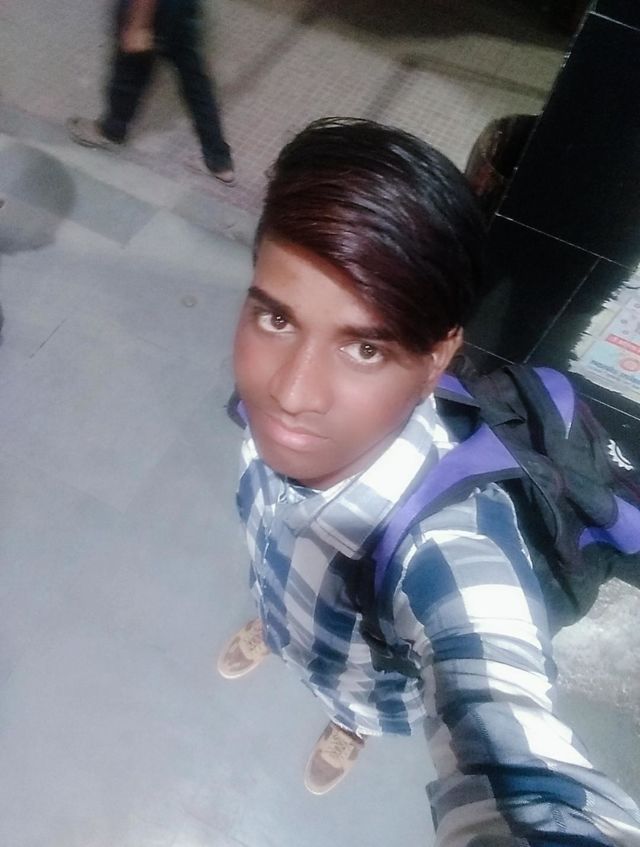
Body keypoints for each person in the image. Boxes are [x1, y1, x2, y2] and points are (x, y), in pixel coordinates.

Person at [218, 117, 640, 842]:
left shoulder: (450, 547)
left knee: (354, 695)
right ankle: (274, 627)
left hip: (363, 676)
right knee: (277, 590)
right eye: (277, 318)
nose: (291, 392)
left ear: (437, 358)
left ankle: (349, 725)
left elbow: (510, 737)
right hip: (285, 588)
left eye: (364, 348)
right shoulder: (283, 416)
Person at [67, 0, 234, 184]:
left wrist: (138, 23)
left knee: (129, 71)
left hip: (154, 10)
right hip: (182, 9)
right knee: (196, 84)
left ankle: (112, 130)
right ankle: (220, 162)